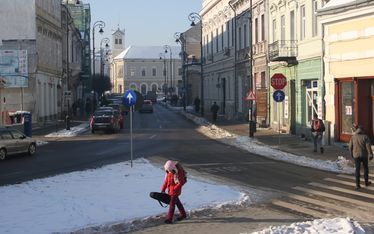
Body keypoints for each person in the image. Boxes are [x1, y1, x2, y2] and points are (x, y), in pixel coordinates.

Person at [349, 125, 373, 190]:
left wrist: (351, 154)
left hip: (356, 156)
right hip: (364, 155)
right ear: (362, 130)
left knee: (357, 169)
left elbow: (350, 147)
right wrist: (370, 155)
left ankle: (357, 185)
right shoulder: (365, 137)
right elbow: (368, 147)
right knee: (365, 168)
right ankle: (366, 182)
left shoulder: (353, 137)